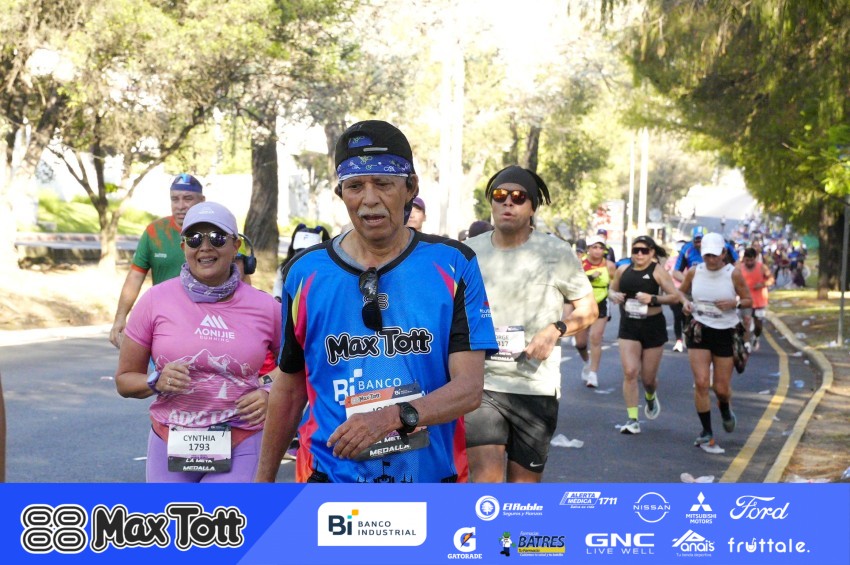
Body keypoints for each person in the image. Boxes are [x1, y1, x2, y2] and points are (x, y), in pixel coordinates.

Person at [256, 120, 497, 483]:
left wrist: (393, 417)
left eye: (383, 183)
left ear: (410, 188)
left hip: (430, 480)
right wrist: (262, 483)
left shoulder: (454, 264)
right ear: (341, 193)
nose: (369, 199)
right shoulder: (303, 273)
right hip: (329, 481)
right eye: (355, 186)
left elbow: (469, 389)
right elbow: (289, 390)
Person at [115, 201, 282, 482]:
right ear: (183, 247)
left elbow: (297, 366)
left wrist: (267, 390)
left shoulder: (266, 307)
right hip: (170, 439)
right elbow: (124, 380)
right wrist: (156, 380)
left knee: (226, 512)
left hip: (242, 437)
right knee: (172, 512)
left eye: (217, 237)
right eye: (194, 238)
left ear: (236, 245)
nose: (205, 247)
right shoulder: (155, 300)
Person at [464, 165, 597, 482]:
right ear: (491, 203)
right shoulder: (469, 252)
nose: (508, 202)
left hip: (535, 387)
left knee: (523, 490)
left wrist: (556, 330)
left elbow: (589, 309)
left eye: (518, 197)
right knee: (485, 480)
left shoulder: (556, 252)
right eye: (500, 195)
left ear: (532, 207)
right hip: (482, 384)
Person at [109, 174, 205, 348]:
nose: (180, 206)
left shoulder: (218, 232)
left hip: (205, 323)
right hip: (163, 321)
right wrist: (120, 318)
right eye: (175, 199)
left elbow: (241, 279)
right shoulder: (154, 231)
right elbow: (135, 277)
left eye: (188, 198)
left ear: (202, 200)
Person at [679, 232, 752, 447]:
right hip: (700, 329)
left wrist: (734, 304)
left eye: (714, 255)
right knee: (701, 382)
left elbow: (748, 299)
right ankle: (706, 431)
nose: (710, 260)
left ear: (723, 254)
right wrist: (685, 303)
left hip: (725, 331)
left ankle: (725, 407)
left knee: (720, 388)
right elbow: (680, 293)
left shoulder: (733, 274)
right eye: (706, 255)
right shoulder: (694, 271)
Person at [609, 235, 683, 435]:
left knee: (648, 379)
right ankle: (632, 419)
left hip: (653, 326)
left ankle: (650, 395)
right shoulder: (623, 270)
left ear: (651, 253)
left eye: (644, 250)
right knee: (630, 372)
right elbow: (611, 290)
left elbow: (674, 297)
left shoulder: (657, 271)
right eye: (636, 250)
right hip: (629, 326)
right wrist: (614, 295)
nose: (639, 254)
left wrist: (653, 299)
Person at [575, 234, 616, 388]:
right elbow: (573, 282)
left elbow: (614, 284)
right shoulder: (579, 263)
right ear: (588, 249)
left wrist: (613, 293)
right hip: (582, 303)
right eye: (594, 247)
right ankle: (587, 362)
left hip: (601, 302)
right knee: (580, 343)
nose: (598, 251)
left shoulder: (609, 265)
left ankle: (593, 374)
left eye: (601, 248)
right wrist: (591, 277)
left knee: (595, 337)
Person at [272, 224, 331, 302]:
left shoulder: (323, 270)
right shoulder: (284, 266)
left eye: (305, 253)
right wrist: (277, 297)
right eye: (299, 251)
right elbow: (278, 285)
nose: (300, 256)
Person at [738, 247, 774, 351]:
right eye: (747, 260)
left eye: (751, 260)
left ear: (755, 258)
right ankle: (746, 343)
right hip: (746, 300)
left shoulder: (762, 267)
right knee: (746, 321)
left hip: (759, 301)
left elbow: (771, 279)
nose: (749, 263)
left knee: (758, 324)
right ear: (744, 259)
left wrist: (763, 284)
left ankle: (756, 337)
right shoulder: (739, 268)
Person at [665, 240, 688, 352]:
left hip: (687, 293)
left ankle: (686, 337)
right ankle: (679, 340)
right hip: (674, 292)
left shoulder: (690, 261)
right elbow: (664, 273)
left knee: (686, 317)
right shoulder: (671, 261)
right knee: (677, 316)